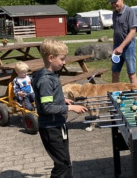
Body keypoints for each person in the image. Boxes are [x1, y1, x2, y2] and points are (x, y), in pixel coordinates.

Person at [32, 38, 87, 178]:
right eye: (62, 59)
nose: (64, 62)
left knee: (65, 162)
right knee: (62, 165)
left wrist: (63, 100)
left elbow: (49, 98)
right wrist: (71, 108)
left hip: (58, 124)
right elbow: (47, 108)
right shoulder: (45, 80)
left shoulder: (49, 75)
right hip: (51, 129)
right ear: (51, 58)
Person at [109, 0, 137, 88]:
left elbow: (132, 31)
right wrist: (115, 47)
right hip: (117, 47)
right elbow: (116, 31)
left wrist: (121, 47)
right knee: (114, 72)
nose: (114, 5)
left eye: (115, 2)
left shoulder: (130, 11)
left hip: (129, 47)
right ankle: (115, 95)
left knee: (131, 73)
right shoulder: (114, 13)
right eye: (112, 3)